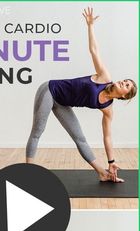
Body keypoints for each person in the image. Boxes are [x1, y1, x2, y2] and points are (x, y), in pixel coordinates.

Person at [26, 7, 137, 183]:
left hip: (62, 103)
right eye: (125, 80)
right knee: (37, 131)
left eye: (127, 85)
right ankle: (28, 171)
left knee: (80, 138)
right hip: (50, 90)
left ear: (124, 96)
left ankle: (102, 172)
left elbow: (107, 136)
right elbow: (94, 50)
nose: (124, 82)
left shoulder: (108, 109)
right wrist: (90, 25)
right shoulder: (104, 78)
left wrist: (112, 162)